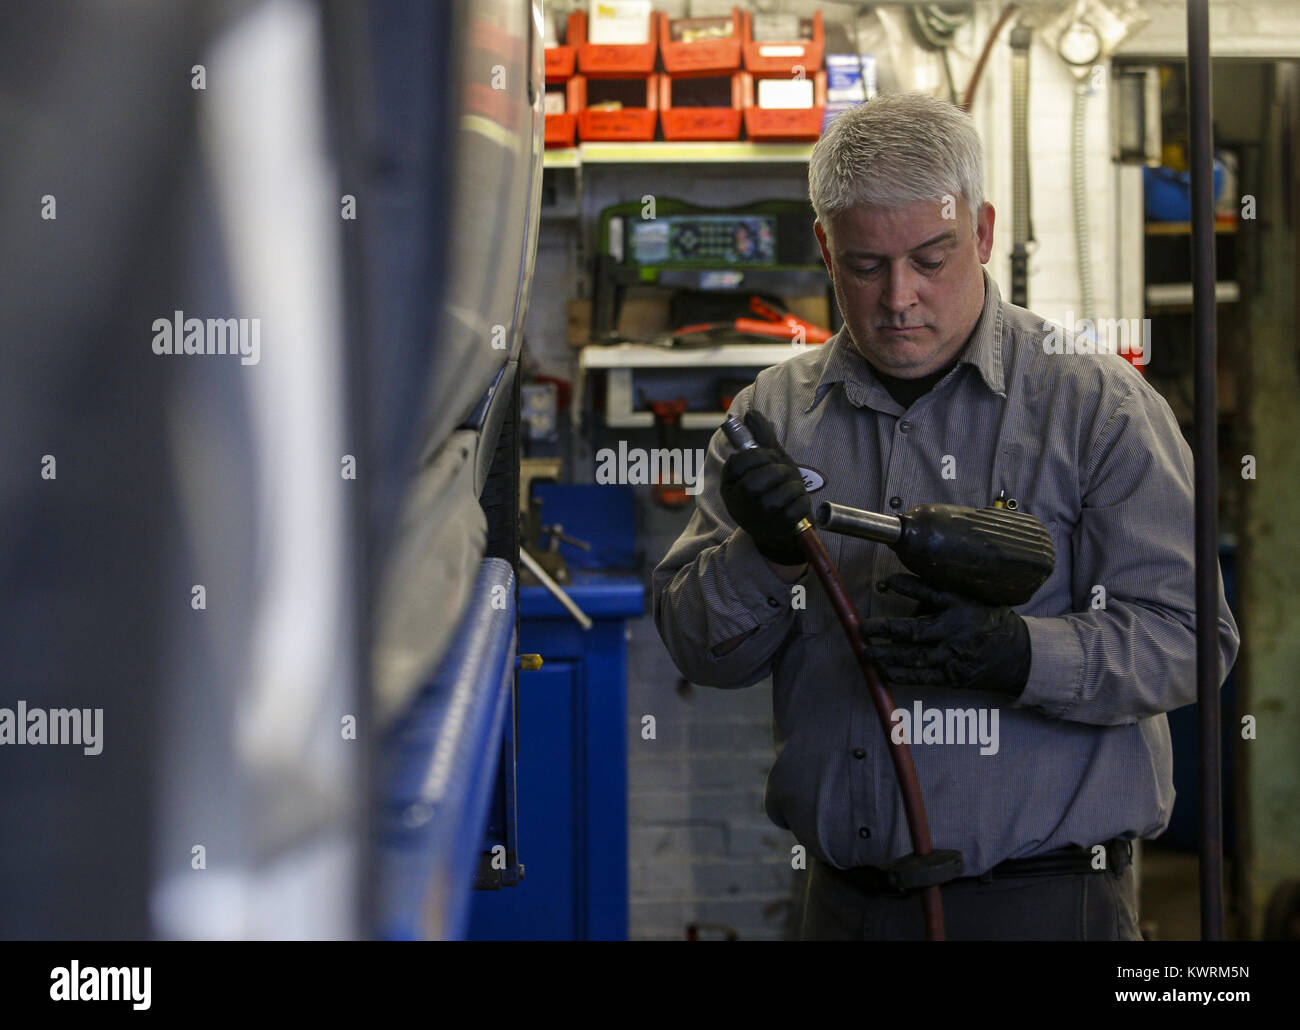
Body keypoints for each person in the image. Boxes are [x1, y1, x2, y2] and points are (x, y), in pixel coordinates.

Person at [651, 93, 1240, 941]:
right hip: (843, 908)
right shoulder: (772, 416)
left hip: (1043, 905)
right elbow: (699, 650)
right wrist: (766, 555)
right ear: (825, 247)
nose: (900, 298)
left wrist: (1021, 655)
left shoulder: (1095, 406)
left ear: (985, 233)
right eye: (864, 265)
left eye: (932, 257)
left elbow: (1192, 639)